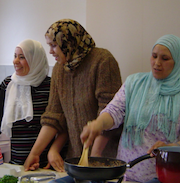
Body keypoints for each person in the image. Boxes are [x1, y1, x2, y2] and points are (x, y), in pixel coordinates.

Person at [80, 34, 180, 183]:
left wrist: (172, 147)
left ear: (177, 62)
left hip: (164, 177)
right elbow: (114, 111)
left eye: (165, 59)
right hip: (127, 174)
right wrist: (98, 124)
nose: (157, 63)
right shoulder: (134, 83)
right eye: (154, 56)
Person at [24, 19, 123, 172]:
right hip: (76, 158)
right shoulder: (59, 69)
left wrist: (94, 159)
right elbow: (54, 116)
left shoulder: (102, 61)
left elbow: (109, 114)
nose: (50, 51)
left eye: (54, 45)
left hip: (104, 159)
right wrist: (35, 153)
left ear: (68, 42)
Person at [0, 39, 55, 167]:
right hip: (16, 164)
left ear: (35, 59)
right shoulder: (8, 84)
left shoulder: (50, 86)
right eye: (15, 56)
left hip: (45, 164)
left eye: (22, 57)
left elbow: (56, 125)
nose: (15, 61)